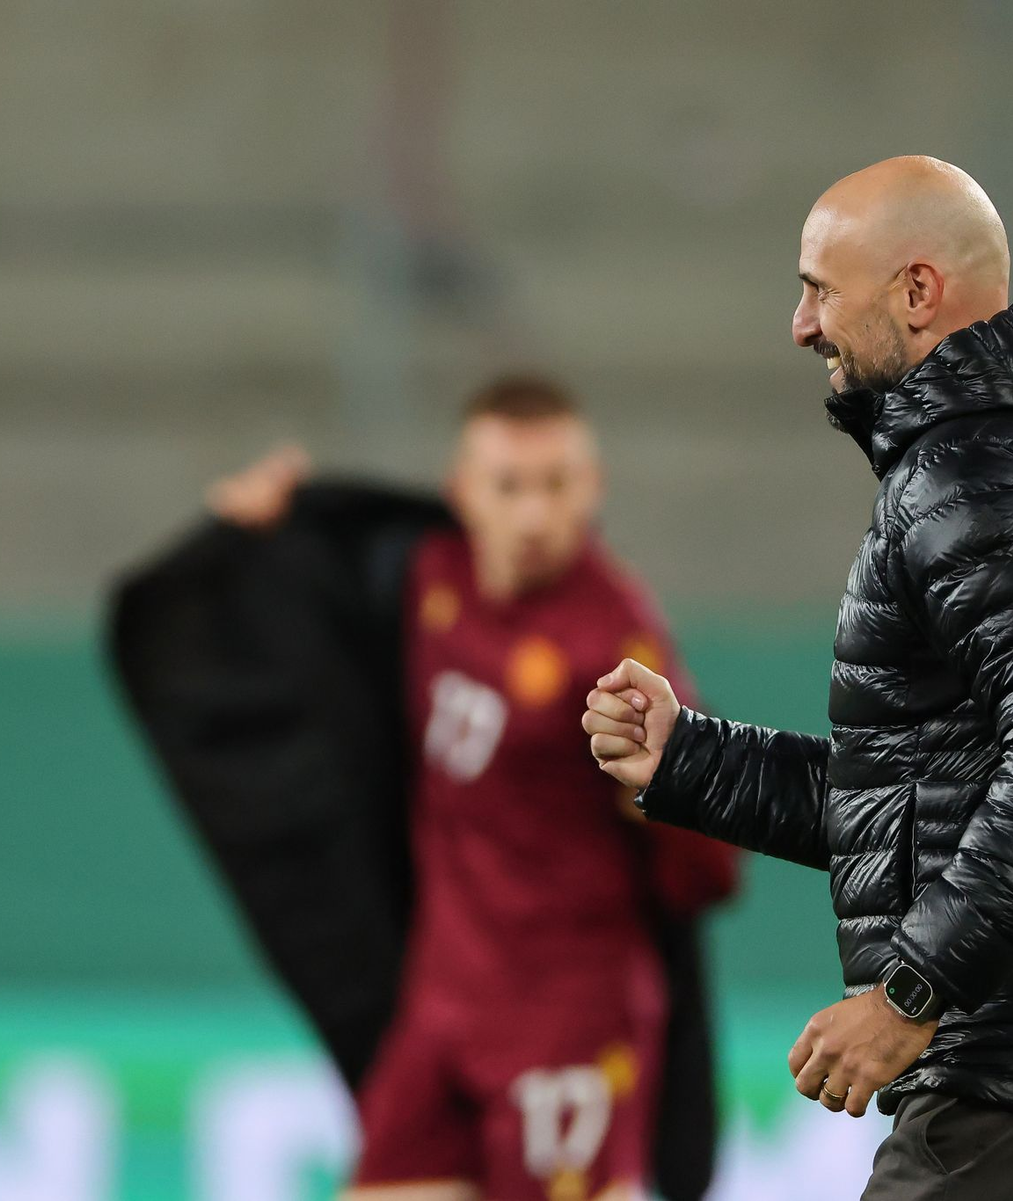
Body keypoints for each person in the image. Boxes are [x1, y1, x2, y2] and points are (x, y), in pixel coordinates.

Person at [583, 156, 1013, 1198]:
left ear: (917, 292)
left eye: (820, 288)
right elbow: (935, 801)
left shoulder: (972, 472)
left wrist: (914, 989)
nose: (802, 325)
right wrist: (691, 759)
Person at [110, 375, 735, 1201]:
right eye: (509, 485)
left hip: (568, 1016)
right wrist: (267, 538)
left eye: (557, 484)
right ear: (462, 493)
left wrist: (659, 798)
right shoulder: (429, 578)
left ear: (593, 490)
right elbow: (324, 587)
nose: (535, 515)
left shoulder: (616, 648)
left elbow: (711, 871)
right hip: (444, 1002)